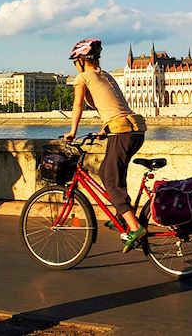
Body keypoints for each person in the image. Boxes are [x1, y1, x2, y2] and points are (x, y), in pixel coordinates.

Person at [63, 39, 148, 253]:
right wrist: (104, 130)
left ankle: (135, 227)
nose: (75, 66)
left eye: (75, 61)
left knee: (110, 178)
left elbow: (78, 105)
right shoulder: (106, 75)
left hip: (122, 131)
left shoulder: (82, 77)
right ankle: (122, 216)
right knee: (110, 172)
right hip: (136, 129)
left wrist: (72, 132)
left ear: (81, 61)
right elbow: (113, 105)